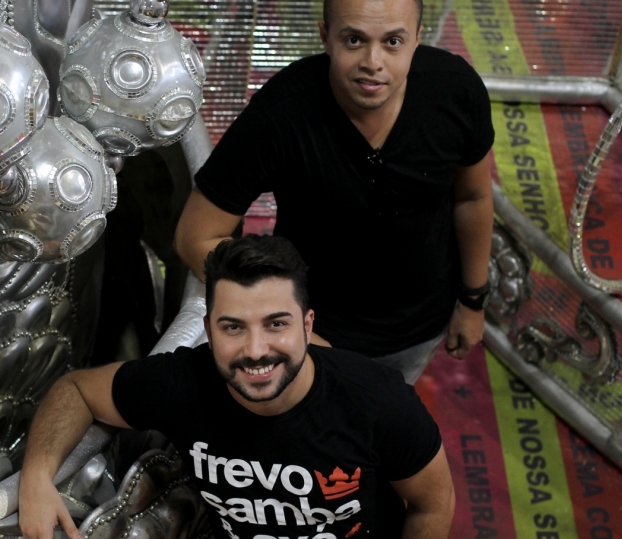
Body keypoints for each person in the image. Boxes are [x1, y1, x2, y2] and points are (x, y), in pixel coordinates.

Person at [19, 236, 456, 539]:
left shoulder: (375, 400)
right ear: (209, 331)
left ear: (307, 325)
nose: (255, 350)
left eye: (276, 324)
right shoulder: (183, 384)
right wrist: (37, 475)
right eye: (233, 328)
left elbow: (434, 504)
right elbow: (75, 390)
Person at [173, 0, 495, 383]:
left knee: (383, 427)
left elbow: (472, 198)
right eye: (354, 40)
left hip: (420, 330)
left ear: (417, 40)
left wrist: (473, 300)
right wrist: (282, 321)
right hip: (310, 340)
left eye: (393, 42)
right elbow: (196, 237)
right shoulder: (281, 112)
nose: (373, 62)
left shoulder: (456, 92)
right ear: (326, 36)